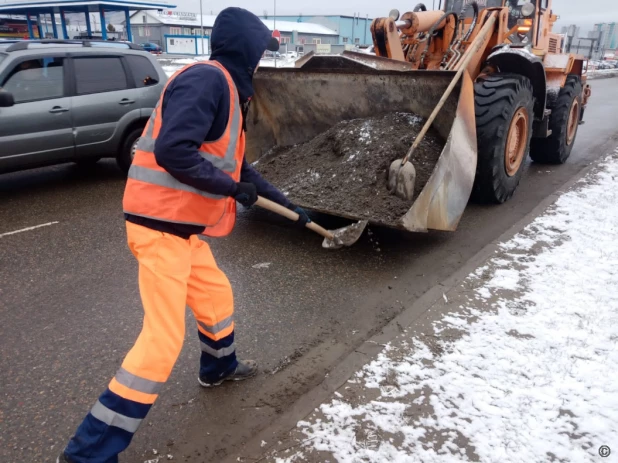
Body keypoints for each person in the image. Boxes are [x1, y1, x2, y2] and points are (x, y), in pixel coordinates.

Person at [57, 7, 310, 463]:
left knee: (216, 296)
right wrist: (232, 190)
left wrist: (289, 206)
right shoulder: (207, 81)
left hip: (183, 230)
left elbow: (237, 167)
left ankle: (218, 367)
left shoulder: (230, 92)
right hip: (158, 229)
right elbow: (176, 151)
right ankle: (87, 453)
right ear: (244, 49)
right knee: (161, 342)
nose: (260, 63)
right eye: (259, 52)